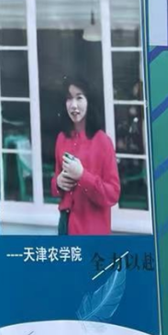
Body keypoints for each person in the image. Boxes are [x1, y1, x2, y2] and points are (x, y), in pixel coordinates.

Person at [50, 77, 120, 236]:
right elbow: (56, 186)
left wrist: (82, 176)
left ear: (89, 101)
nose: (73, 105)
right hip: (65, 225)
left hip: (92, 231)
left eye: (79, 98)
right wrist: (58, 183)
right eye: (69, 98)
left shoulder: (103, 142)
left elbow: (113, 194)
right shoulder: (62, 138)